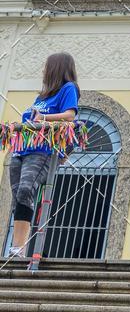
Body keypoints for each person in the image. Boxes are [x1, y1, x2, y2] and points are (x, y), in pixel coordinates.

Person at [8, 52, 80, 258]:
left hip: (42, 150)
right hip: (22, 149)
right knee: (18, 197)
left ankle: (18, 248)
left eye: (46, 66)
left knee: (25, 190)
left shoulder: (68, 89)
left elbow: (70, 116)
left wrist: (44, 117)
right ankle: (16, 247)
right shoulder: (41, 96)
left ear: (56, 68)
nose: (42, 70)